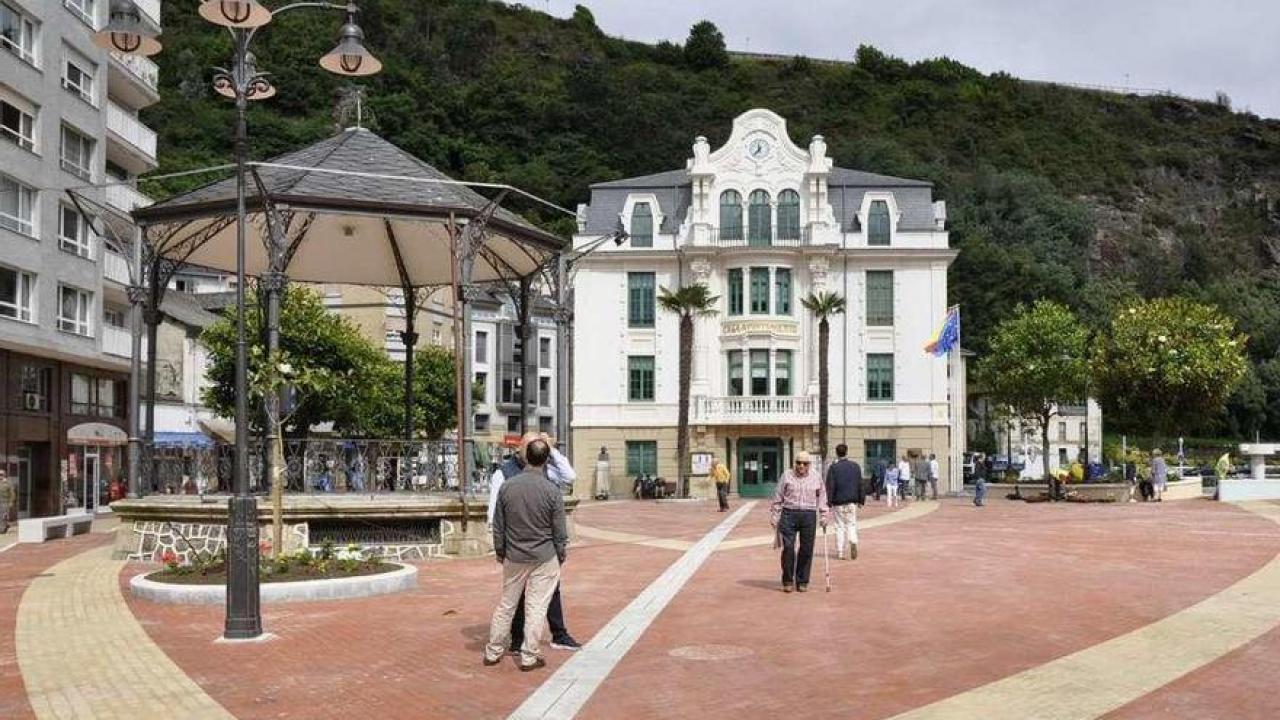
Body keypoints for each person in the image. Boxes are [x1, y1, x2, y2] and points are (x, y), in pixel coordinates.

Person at [484, 439, 568, 671]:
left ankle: (493, 651)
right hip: (544, 555)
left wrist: (501, 551)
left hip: (514, 554)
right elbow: (559, 531)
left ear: (526, 457)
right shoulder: (551, 490)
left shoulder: (508, 487)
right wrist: (560, 554)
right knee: (536, 607)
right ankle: (529, 655)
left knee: (506, 604)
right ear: (546, 460)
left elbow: (499, 525)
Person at [499, 434, 582, 652]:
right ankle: (518, 641)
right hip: (518, 547)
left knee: (551, 591)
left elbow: (570, 476)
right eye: (532, 445)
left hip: (543, 549)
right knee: (516, 597)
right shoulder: (504, 473)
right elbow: (495, 515)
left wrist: (551, 451)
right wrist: (501, 548)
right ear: (521, 449)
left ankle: (558, 634)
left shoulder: (546, 471)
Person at [770, 451, 830, 592]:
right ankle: (788, 580)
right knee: (788, 548)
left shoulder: (816, 477)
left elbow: (822, 497)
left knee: (806, 549)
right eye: (798, 463)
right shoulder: (787, 475)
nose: (801, 466)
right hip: (789, 513)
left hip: (809, 514)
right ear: (794, 463)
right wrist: (774, 515)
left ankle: (802, 580)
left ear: (809, 464)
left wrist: (824, 515)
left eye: (805, 463)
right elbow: (778, 496)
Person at [825, 444, 864, 560]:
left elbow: (830, 486)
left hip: (838, 501)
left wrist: (829, 501)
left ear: (837, 453)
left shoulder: (833, 468)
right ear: (847, 452)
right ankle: (853, 540)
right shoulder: (855, 466)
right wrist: (861, 500)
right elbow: (860, 484)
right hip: (852, 501)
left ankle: (840, 551)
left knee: (839, 526)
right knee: (851, 523)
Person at [0, 468, 14, 534]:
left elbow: (12, 494)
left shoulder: (8, 483)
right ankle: (5, 526)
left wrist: (11, 502)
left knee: (3, 516)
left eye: (1, 474)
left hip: (5, 502)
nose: (0, 476)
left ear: (4, 475)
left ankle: (2, 529)